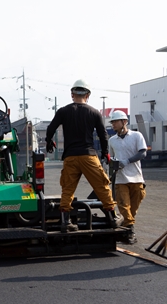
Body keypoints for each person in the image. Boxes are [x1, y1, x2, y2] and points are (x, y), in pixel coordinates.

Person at [45, 78, 123, 232]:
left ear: (72, 94)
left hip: (70, 157)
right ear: (88, 95)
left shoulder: (63, 111)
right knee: (102, 186)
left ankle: (65, 222)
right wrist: (105, 153)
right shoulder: (94, 112)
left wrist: (49, 142)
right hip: (89, 156)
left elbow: (50, 128)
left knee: (67, 189)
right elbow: (103, 135)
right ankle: (113, 218)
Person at [108, 110, 147, 244]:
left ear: (124, 122)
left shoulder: (137, 136)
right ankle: (130, 232)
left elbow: (142, 153)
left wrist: (127, 161)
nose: (113, 124)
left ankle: (125, 227)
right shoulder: (112, 140)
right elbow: (110, 158)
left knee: (133, 208)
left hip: (136, 177)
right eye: (112, 122)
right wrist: (111, 168)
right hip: (120, 178)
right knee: (124, 205)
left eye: (115, 122)